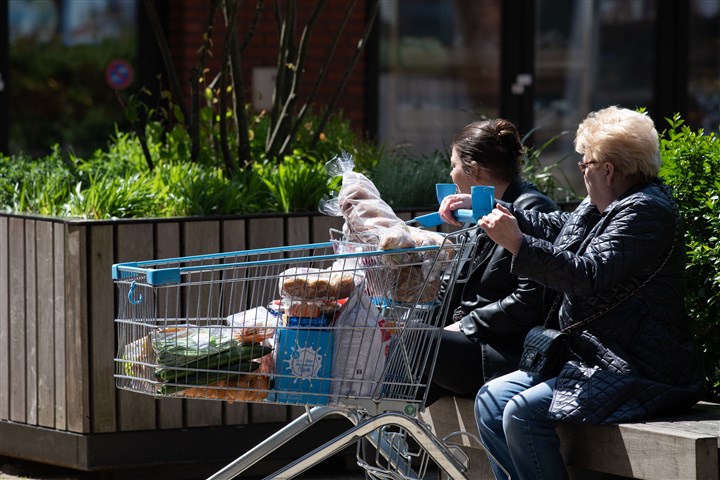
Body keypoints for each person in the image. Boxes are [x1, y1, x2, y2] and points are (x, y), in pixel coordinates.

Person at [440, 106, 704, 480]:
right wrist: (490, 206)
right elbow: (557, 226)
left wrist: (517, 244)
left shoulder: (646, 210)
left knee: (520, 413)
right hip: (592, 355)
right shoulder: (606, 203)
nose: (581, 168)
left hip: (637, 366)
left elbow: (586, 274)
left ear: (608, 169)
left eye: (586, 162)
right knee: (491, 399)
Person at [425, 118, 560, 405]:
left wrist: (465, 325)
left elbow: (531, 301)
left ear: (474, 170)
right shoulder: (478, 207)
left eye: (454, 165)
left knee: (418, 344)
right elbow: (456, 286)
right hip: (471, 342)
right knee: (395, 338)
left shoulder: (533, 210)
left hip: (503, 351)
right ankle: (393, 439)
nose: (451, 174)